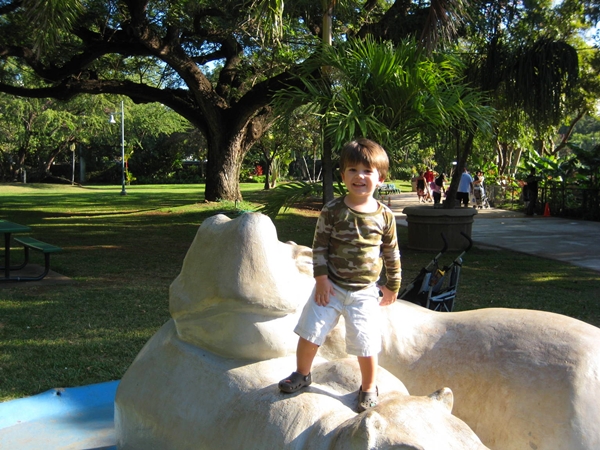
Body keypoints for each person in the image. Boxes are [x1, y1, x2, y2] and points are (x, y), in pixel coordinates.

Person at [278, 138, 402, 413]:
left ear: (380, 178)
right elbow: (319, 246)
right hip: (331, 286)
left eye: (367, 171)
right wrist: (321, 280)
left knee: (366, 343)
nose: (360, 176)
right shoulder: (333, 210)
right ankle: (302, 373)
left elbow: (392, 253)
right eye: (353, 170)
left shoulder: (385, 216)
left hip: (365, 292)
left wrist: (392, 285)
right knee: (310, 332)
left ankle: (369, 386)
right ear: (343, 175)